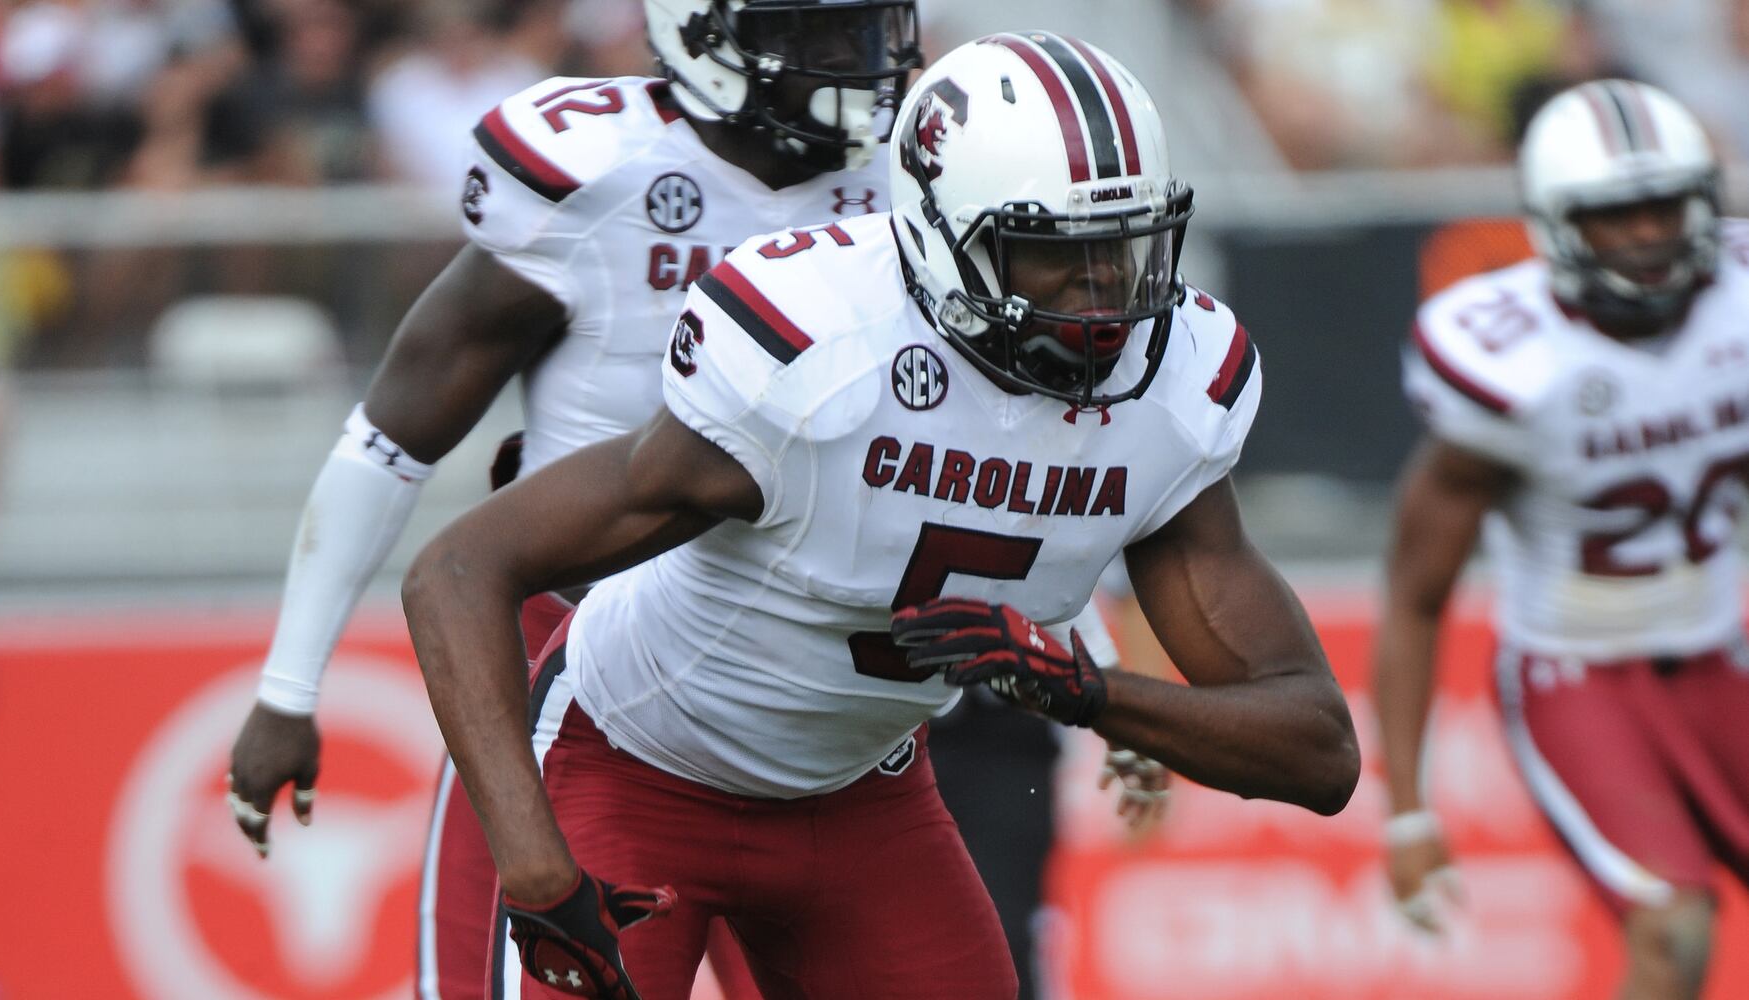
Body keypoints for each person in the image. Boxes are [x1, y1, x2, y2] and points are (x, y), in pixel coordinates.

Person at [404, 33, 1360, 1000]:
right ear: (943, 237)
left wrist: (1092, 695)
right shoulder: (818, 350)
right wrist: (533, 866)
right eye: (1054, 255)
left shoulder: (1175, 384)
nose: (1104, 294)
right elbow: (458, 569)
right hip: (635, 762)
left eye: (1124, 247)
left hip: (864, 798)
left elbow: (1318, 750)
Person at [225, 1, 922, 997]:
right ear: (702, 31)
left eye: (863, 27)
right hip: (580, 669)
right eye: (810, 32)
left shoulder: (904, 184)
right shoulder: (597, 173)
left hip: (802, 675)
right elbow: (391, 438)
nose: (853, 62)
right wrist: (288, 685)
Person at [1375, 79, 1749, 1000]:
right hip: (1577, 675)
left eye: (1665, 206)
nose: (1649, 237)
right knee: (1672, 929)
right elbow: (1416, 596)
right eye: (1618, 215)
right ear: (1555, 224)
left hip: (1718, 654)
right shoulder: (1512, 363)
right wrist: (1408, 813)